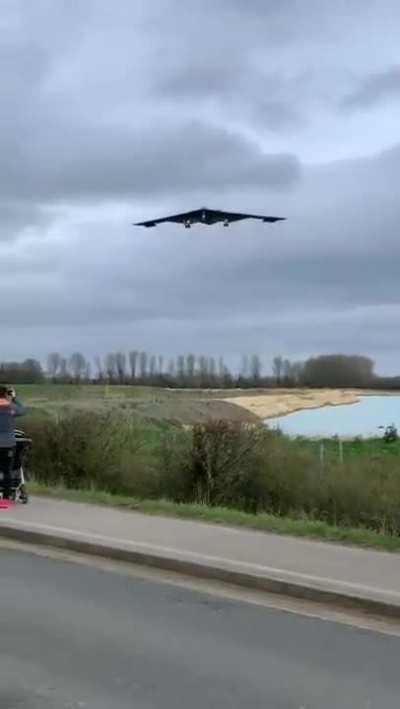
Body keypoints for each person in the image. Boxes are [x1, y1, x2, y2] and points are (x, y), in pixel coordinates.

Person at [0, 386, 26, 498]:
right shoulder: (11, 407)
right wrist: (14, 398)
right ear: (6, 394)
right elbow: (23, 410)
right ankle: (5, 499)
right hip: (9, 444)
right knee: (7, 471)